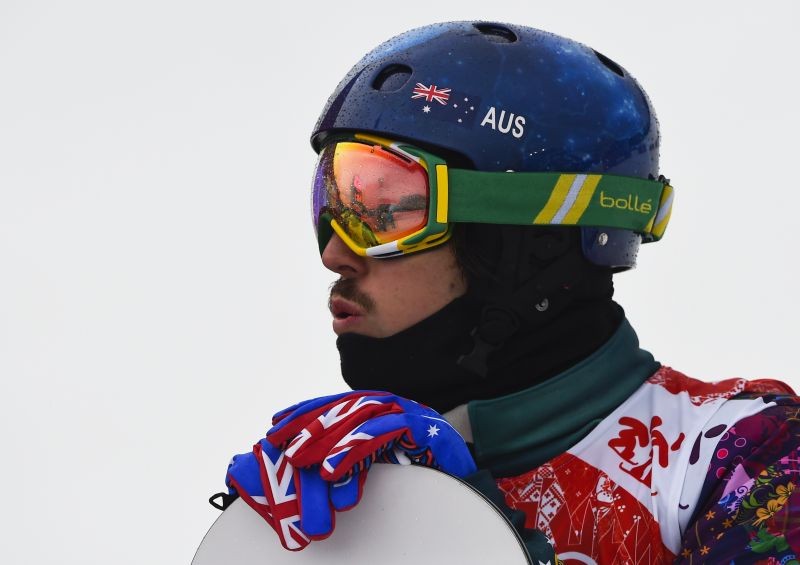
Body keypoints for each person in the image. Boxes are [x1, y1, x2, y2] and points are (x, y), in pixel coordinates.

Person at [218, 21, 800, 563]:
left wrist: (480, 541)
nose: (334, 253)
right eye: (332, 201)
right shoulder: (348, 495)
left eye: (384, 208)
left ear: (524, 244)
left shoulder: (747, 457)